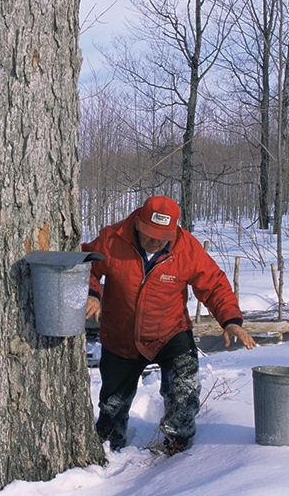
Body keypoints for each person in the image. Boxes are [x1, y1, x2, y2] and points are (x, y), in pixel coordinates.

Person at [82, 195, 256, 455]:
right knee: (112, 405)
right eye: (150, 234)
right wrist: (92, 293)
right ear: (138, 223)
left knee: (184, 392)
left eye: (162, 236)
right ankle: (109, 447)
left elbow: (214, 284)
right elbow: (87, 266)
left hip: (169, 331)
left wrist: (231, 320)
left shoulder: (187, 248)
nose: (155, 242)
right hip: (120, 333)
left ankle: (178, 447)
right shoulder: (112, 239)